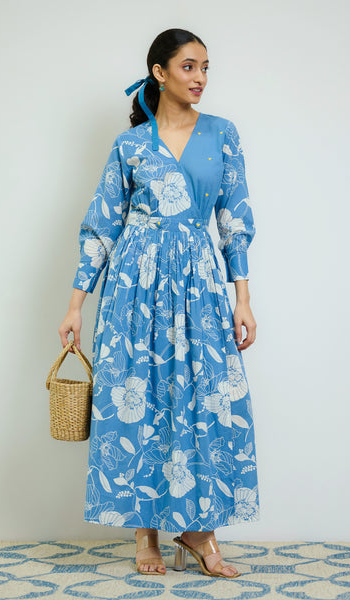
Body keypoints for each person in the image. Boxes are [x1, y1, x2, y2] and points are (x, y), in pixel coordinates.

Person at [58, 28, 260, 578]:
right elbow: (101, 226)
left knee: (203, 396)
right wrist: (75, 306)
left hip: (198, 285)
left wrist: (242, 298)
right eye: (189, 66)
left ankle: (199, 531)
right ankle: (145, 533)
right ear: (159, 72)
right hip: (135, 286)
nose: (200, 78)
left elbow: (235, 221)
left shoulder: (222, 134)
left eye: (205, 67)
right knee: (140, 394)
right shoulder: (130, 145)